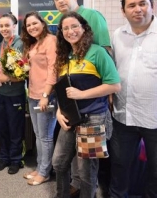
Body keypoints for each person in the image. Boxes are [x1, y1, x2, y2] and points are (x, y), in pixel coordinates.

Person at [51, 12, 120, 198]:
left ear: (84, 28)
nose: (70, 31)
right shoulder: (65, 57)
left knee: (86, 171)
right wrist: (59, 111)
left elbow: (114, 85)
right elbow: (63, 89)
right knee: (58, 162)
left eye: (74, 26)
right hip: (70, 117)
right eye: (65, 28)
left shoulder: (97, 52)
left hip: (93, 118)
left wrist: (82, 94)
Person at [109, 0, 157, 198]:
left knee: (155, 170)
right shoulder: (118, 35)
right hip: (123, 114)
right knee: (120, 165)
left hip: (154, 116)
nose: (138, 9)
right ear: (123, 10)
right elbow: (113, 69)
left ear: (152, 6)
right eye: (131, 5)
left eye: (142, 3)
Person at [21, 11, 57, 185]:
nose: (32, 27)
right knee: (38, 135)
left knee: (46, 136)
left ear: (42, 23)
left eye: (34, 23)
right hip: (33, 94)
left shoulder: (51, 41)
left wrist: (45, 95)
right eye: (28, 25)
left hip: (45, 96)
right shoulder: (34, 44)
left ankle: (45, 172)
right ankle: (40, 167)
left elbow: (53, 69)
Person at [0, 13, 26, 175]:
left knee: (14, 128)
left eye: (7, 25)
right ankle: (4, 157)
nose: (4, 29)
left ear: (14, 26)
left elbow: (25, 72)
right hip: (0, 92)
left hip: (15, 93)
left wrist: (8, 77)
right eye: (1, 26)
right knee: (2, 127)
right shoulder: (2, 43)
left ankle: (15, 159)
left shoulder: (21, 44)